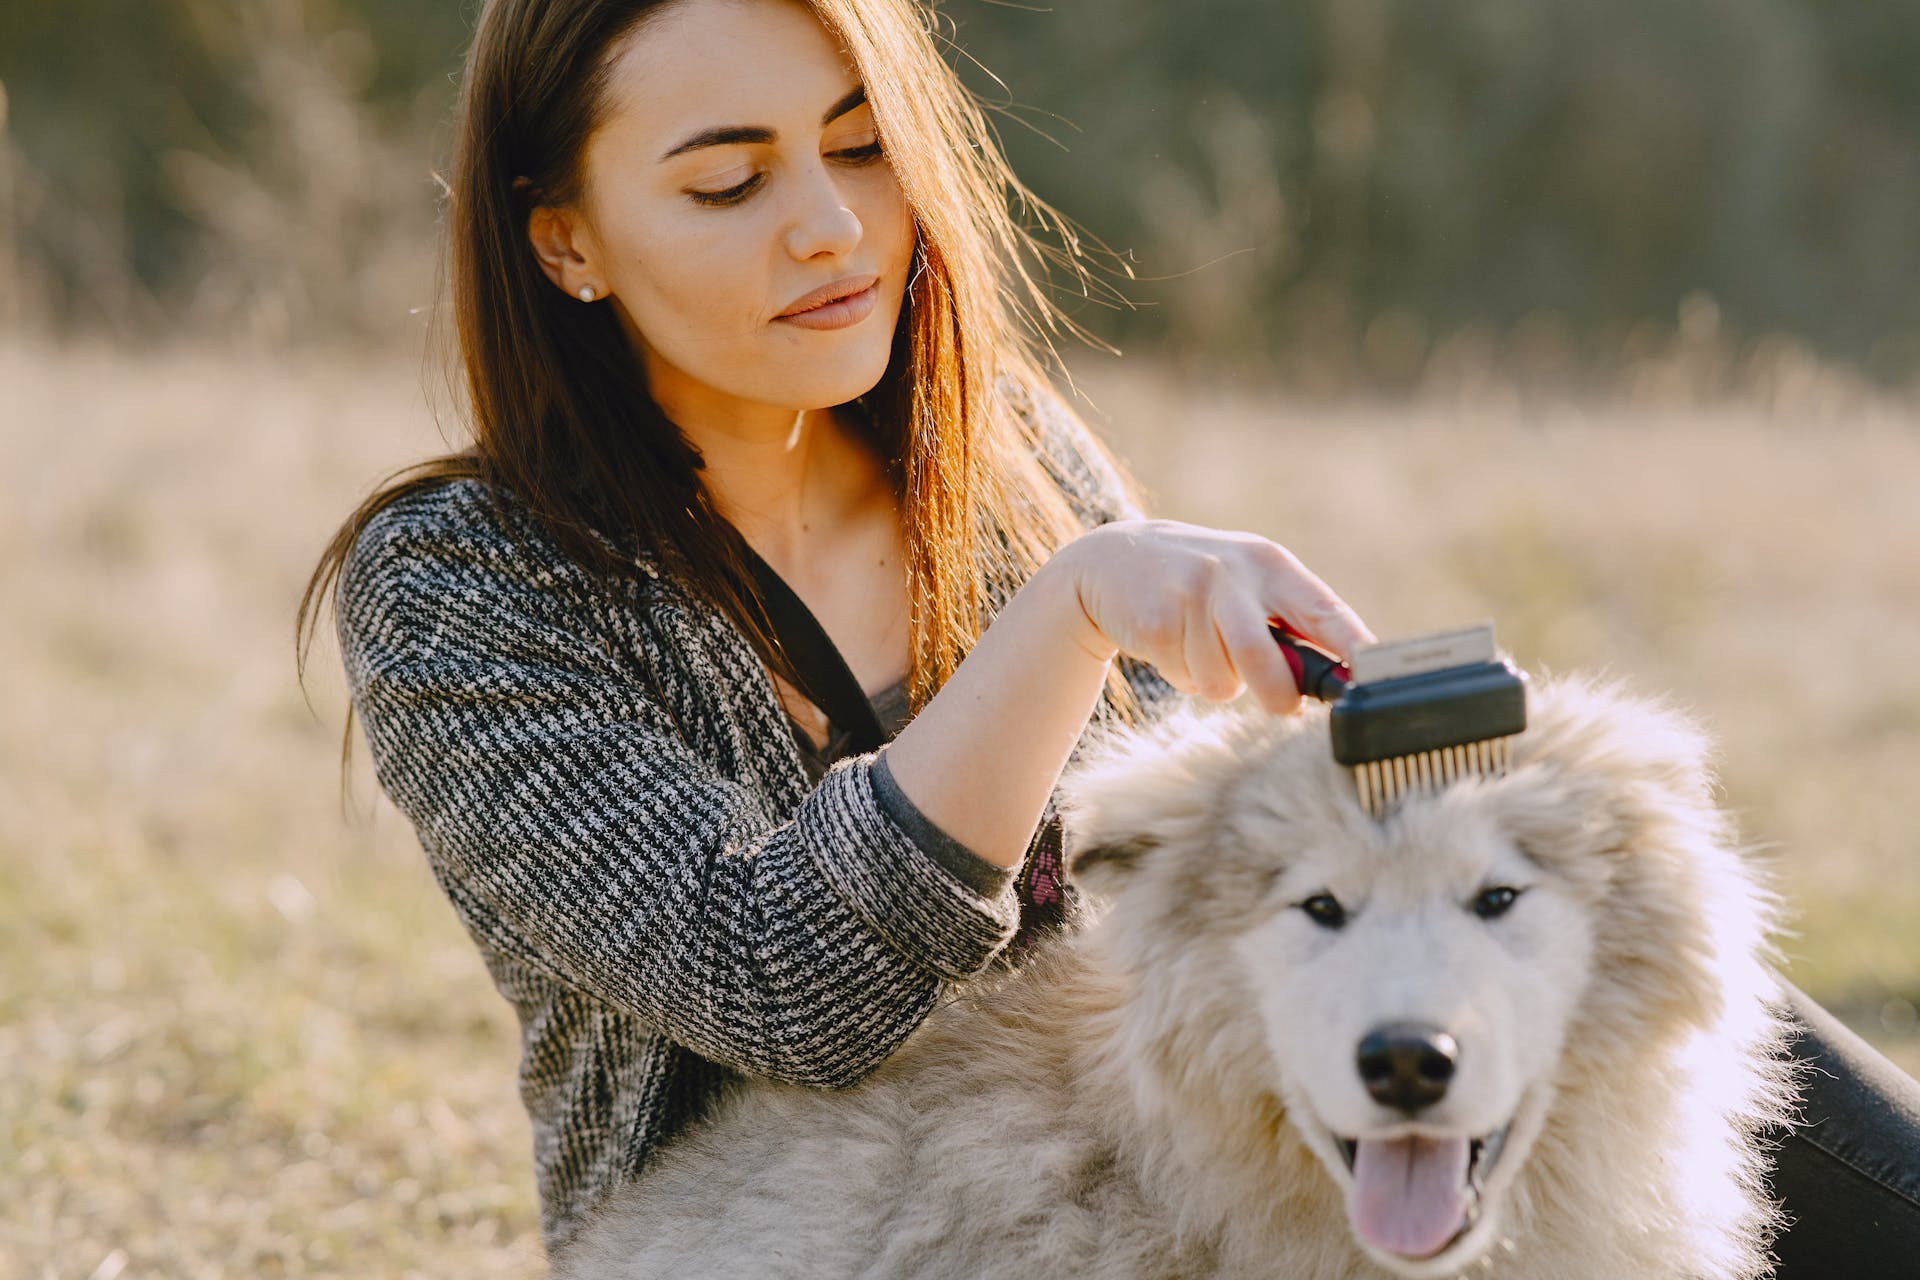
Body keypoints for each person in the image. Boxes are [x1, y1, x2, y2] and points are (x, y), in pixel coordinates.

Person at [298, 0, 1920, 1269]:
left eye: (862, 149)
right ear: (563, 238)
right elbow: (776, 982)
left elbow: (1200, 880)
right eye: (729, 180)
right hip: (819, 1225)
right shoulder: (465, 582)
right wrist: (1071, 609)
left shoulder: (991, 452)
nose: (832, 230)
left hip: (1168, 1133)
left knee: (1643, 1009)